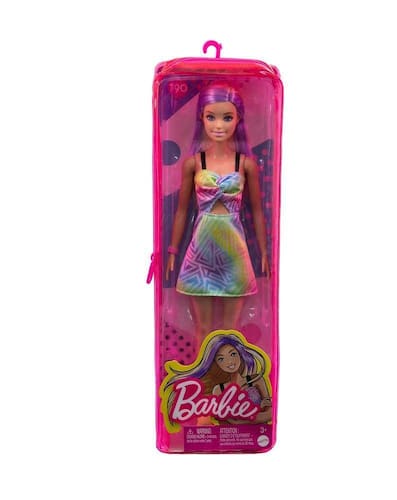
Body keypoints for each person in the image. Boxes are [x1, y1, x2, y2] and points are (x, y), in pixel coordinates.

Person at [165, 83, 270, 343]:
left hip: (234, 250)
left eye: (227, 118)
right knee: (203, 330)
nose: (219, 125)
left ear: (238, 119)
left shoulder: (245, 164)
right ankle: (202, 370)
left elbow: (257, 211)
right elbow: (182, 211)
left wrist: (263, 251)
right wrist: (172, 251)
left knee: (230, 330)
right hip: (201, 249)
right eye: (211, 117)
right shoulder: (194, 163)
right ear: (201, 117)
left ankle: (230, 371)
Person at [161, 330, 273, 429]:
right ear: (216, 364)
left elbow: (270, 413)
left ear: (240, 354)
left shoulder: (256, 380)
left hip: (258, 434)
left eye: (233, 354)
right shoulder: (219, 389)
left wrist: (241, 420)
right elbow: (227, 420)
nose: (229, 361)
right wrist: (257, 414)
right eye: (221, 359)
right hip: (231, 436)